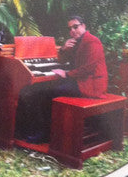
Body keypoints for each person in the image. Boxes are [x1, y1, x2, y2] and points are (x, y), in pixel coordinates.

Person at [15, 15, 108, 143]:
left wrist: (66, 74)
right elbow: (62, 60)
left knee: (47, 94)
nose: (73, 31)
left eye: (75, 27)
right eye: (70, 29)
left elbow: (88, 68)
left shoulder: (92, 41)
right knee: (35, 89)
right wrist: (64, 49)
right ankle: (24, 129)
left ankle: (43, 134)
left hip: (91, 85)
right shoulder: (76, 42)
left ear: (83, 26)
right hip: (79, 81)